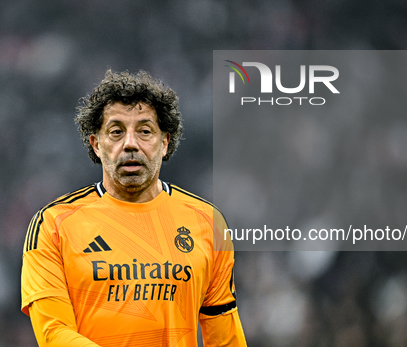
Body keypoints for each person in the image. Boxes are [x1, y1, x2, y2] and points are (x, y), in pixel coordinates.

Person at [21, 69, 246, 347]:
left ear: (164, 143)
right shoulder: (53, 224)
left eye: (145, 131)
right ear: (97, 144)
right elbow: (54, 333)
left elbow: (225, 338)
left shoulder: (208, 222)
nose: (130, 144)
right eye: (116, 132)